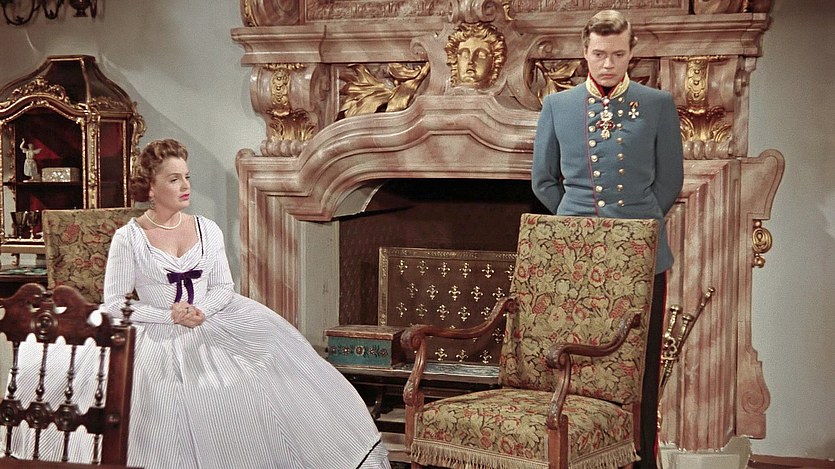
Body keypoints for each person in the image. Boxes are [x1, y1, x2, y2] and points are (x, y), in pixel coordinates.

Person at [531, 10, 684, 469]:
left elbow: (670, 181)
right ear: (585, 53)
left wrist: (635, 227)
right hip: (575, 252)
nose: (608, 64)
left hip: (640, 253)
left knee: (639, 366)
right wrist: (579, 223)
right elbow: (544, 181)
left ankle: (639, 461)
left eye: (618, 54)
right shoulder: (557, 107)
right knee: (574, 358)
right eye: (599, 54)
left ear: (631, 53)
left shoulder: (657, 104)